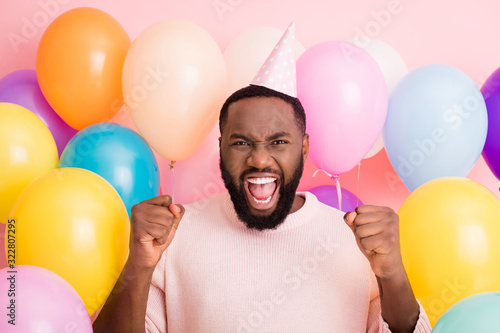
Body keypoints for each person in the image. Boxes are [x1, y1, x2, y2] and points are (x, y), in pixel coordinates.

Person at [93, 84, 431, 332]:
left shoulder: (357, 242)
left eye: (279, 142)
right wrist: (138, 266)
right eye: (241, 143)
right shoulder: (172, 235)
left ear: (304, 147)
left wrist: (392, 273)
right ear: (221, 147)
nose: (259, 159)